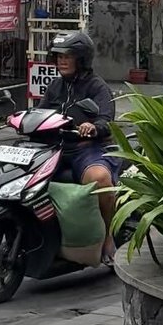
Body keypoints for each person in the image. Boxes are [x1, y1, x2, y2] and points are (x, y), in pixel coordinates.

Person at [38, 31, 118, 264]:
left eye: (68, 56)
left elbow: (106, 119)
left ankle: (108, 235)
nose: (62, 61)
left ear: (81, 59)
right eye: (59, 56)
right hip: (57, 148)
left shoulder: (97, 87)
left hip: (88, 149)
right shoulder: (55, 86)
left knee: (100, 179)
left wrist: (93, 126)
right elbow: (41, 113)